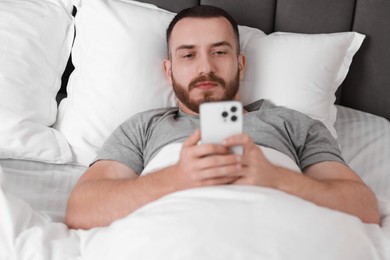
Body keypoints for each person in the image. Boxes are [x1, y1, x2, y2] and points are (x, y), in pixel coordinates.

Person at [65, 5, 380, 229]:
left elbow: (363, 208)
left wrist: (276, 178)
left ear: (241, 65)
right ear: (168, 70)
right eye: (188, 54)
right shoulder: (142, 127)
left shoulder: (292, 123)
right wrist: (178, 177)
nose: (206, 68)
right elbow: (82, 210)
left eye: (219, 52)